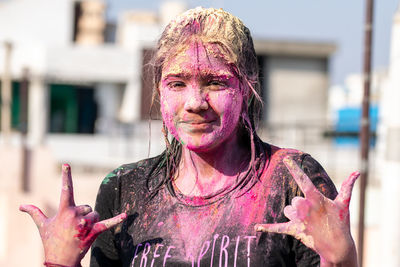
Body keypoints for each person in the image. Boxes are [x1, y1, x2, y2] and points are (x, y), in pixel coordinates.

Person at [20, 7, 359, 267]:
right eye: (177, 84)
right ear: (159, 91)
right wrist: (59, 262)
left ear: (247, 87)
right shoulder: (124, 188)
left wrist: (341, 260)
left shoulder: (292, 180)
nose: (195, 103)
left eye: (215, 82)